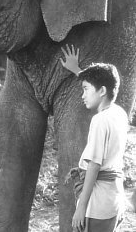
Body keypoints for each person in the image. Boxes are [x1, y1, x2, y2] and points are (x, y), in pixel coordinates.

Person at [60, 45, 128, 232]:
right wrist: (77, 70)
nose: (83, 95)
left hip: (97, 206)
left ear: (102, 91)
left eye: (85, 89)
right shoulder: (119, 112)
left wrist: (81, 208)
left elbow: (95, 166)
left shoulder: (100, 120)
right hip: (114, 200)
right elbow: (102, 84)